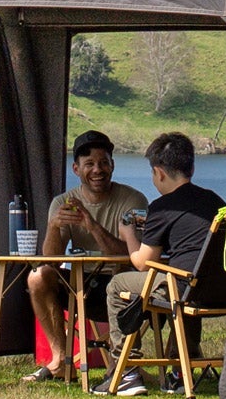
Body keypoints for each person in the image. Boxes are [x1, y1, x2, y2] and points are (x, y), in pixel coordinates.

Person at [95, 130, 226, 398]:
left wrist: (129, 234)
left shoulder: (163, 207)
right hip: (221, 289)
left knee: (117, 285)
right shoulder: (213, 200)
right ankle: (181, 368)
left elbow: (142, 263)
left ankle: (127, 371)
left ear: (159, 173)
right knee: (188, 284)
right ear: (190, 167)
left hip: (183, 288)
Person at [23, 130, 149, 383]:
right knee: (38, 277)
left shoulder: (134, 200)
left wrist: (92, 226)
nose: (97, 170)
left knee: (133, 281)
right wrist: (54, 227)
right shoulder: (63, 202)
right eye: (89, 164)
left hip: (122, 285)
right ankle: (60, 360)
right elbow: (52, 260)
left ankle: (121, 363)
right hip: (81, 285)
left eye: (103, 163)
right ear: (76, 169)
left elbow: (134, 255)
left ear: (112, 166)